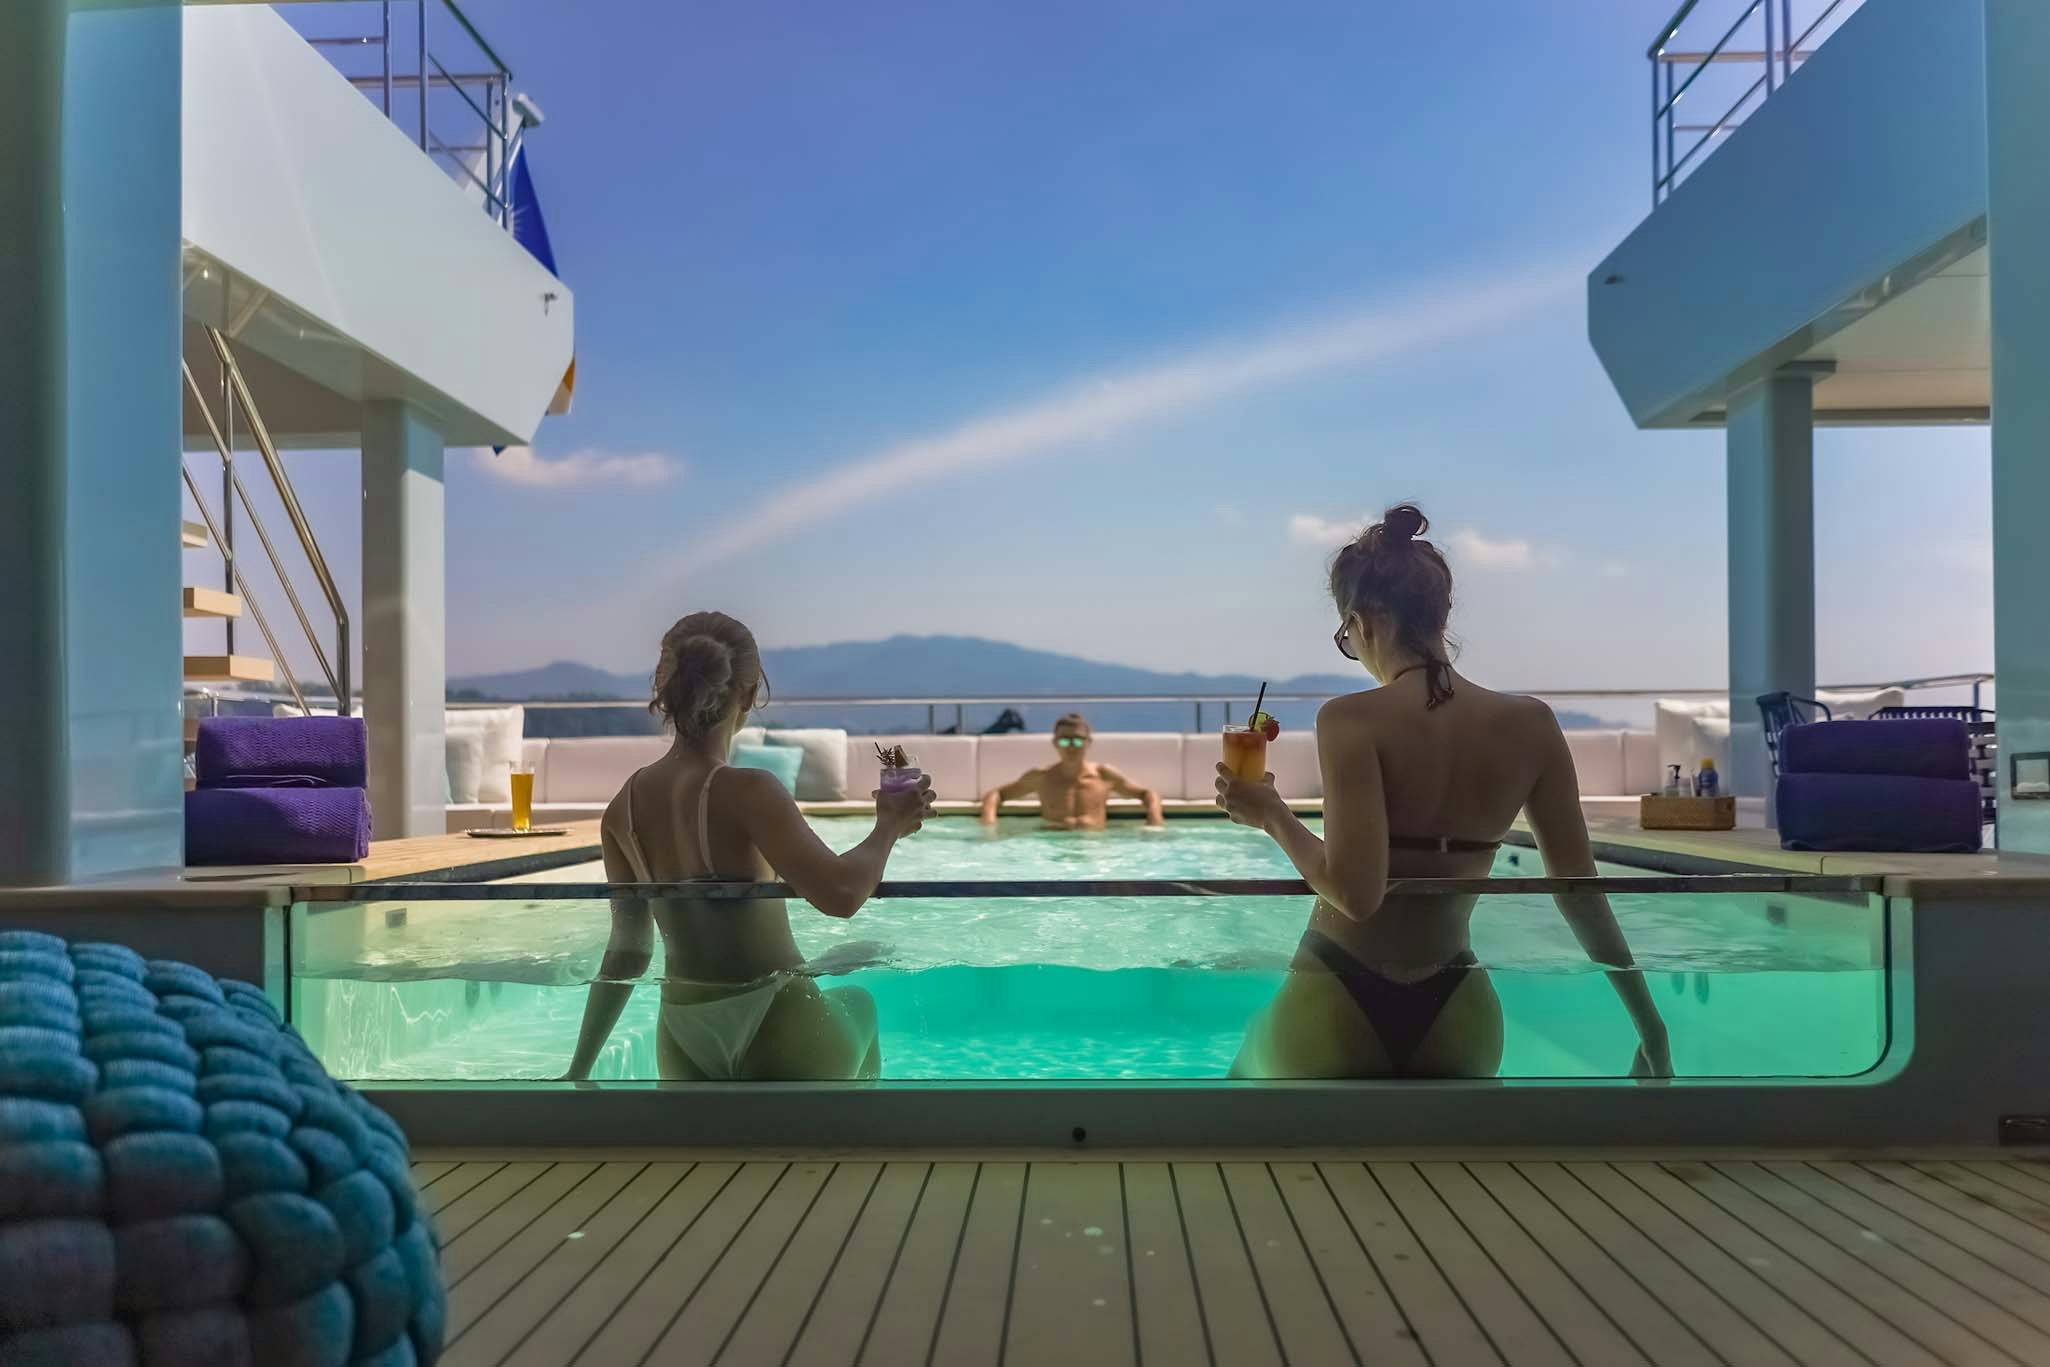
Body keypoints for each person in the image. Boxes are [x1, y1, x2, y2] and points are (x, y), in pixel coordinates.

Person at [1215, 505, 1672, 1079]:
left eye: (1346, 637)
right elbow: (1580, 893)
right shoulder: (1532, 724)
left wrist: (1272, 814)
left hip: (1336, 990)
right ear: (1441, 613)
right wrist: (1650, 1025)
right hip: (1457, 1004)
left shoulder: (1350, 720)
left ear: (1363, 620)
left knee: (1243, 1091)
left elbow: (1356, 896)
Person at [566, 611, 934, 1081]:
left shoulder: (624, 807)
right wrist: (889, 826)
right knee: (859, 1002)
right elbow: (841, 895)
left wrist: (578, 1070)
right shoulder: (749, 790)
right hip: (775, 1014)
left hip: (681, 1027)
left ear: (665, 688)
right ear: (749, 693)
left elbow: (627, 954)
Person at [978, 713, 1165, 829]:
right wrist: (989, 824)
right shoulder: (1041, 777)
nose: (1071, 747)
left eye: (1077, 740)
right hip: (1054, 844)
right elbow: (996, 794)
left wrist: (1154, 819)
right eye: (1065, 741)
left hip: (1094, 846)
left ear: (1088, 743)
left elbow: (1148, 794)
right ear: (1055, 743)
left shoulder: (1104, 775)